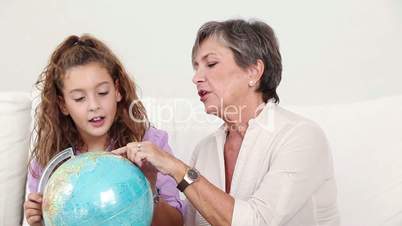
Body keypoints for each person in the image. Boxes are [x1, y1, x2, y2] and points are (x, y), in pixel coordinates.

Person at [113, 19, 340, 226]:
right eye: (196, 67)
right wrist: (150, 186)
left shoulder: (301, 137)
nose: (196, 77)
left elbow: (257, 222)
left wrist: (175, 167)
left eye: (210, 64)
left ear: (253, 70)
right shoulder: (205, 150)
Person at [23, 34, 184, 226]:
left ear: (117, 90)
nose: (94, 105)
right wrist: (39, 221)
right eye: (79, 98)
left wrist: (147, 187)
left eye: (102, 92)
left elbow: (176, 222)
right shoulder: (48, 159)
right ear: (63, 104)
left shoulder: (150, 143)